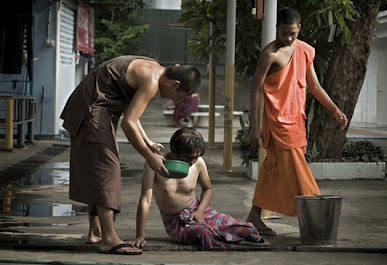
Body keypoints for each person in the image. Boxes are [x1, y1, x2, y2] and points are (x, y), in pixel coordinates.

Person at [59, 56, 201, 255]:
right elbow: (128, 124)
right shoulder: (151, 80)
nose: (172, 100)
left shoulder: (153, 68)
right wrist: (150, 157)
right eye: (178, 96)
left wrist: (147, 141)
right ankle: (108, 239)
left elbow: (131, 114)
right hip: (92, 109)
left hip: (95, 106)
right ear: (175, 84)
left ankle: (96, 231)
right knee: (106, 169)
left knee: (98, 167)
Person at [246, 8, 348, 236]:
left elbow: (315, 86)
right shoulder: (270, 53)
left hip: (297, 119)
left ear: (299, 28)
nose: (289, 38)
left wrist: (335, 110)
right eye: (284, 34)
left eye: (293, 33)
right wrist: (255, 126)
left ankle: (254, 217)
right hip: (277, 122)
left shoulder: (305, 50)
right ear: (277, 30)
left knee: (272, 170)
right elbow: (256, 90)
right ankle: (316, 218)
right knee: (299, 171)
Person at [130, 127, 264, 251]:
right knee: (202, 233)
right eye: (190, 158)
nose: (193, 161)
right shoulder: (154, 164)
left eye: (196, 157)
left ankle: (231, 234)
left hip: (199, 211)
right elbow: (145, 200)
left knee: (245, 228)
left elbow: (208, 189)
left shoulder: (198, 162)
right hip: (176, 221)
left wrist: (200, 211)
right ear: (175, 150)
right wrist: (140, 236)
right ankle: (219, 234)